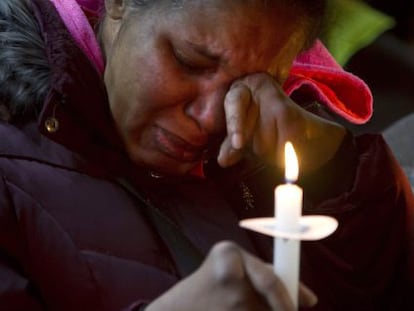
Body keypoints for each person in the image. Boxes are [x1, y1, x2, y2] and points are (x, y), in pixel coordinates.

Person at [0, 0, 413, 311]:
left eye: (254, 82)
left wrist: (335, 170)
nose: (212, 118)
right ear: (119, 4)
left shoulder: (255, 151)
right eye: (188, 61)